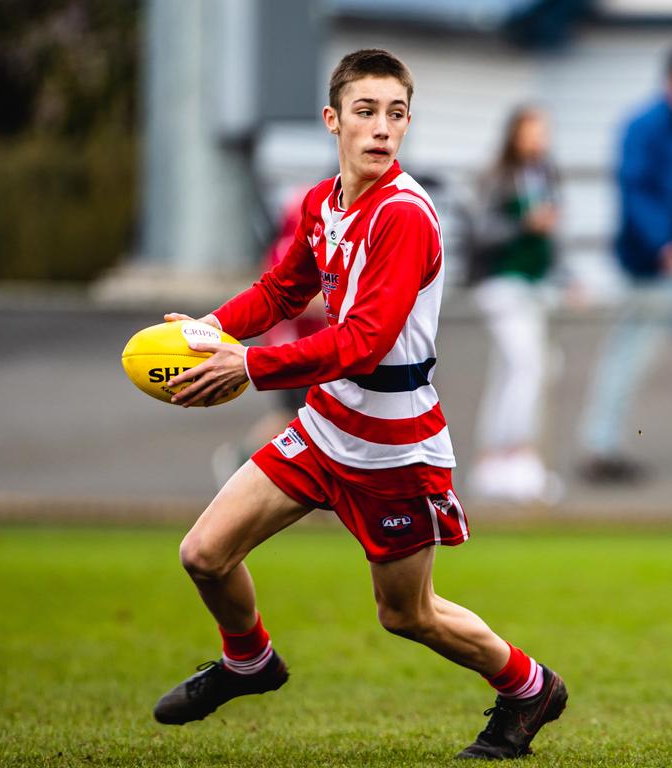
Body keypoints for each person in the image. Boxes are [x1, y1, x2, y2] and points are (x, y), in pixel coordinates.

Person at [153, 49, 568, 760]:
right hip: (326, 424)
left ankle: (530, 688)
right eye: (366, 111)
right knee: (204, 554)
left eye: (396, 114)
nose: (381, 128)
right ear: (333, 119)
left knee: (407, 615)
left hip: (394, 446)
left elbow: (364, 342)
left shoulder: (404, 216)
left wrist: (250, 366)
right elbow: (281, 293)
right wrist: (207, 331)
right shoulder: (321, 204)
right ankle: (250, 661)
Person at [578, 45, 672, 483]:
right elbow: (636, 190)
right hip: (657, 266)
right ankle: (600, 445)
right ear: (670, 82)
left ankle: (600, 443)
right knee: (632, 352)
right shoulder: (646, 126)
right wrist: (665, 245)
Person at [468, 106, 563, 504]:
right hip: (500, 282)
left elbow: (552, 238)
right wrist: (525, 225)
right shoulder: (498, 177)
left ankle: (493, 458)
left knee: (511, 369)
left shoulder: (546, 175)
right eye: (531, 131)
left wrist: (565, 275)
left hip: (535, 283)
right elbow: (483, 231)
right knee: (528, 363)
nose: (538, 139)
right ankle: (515, 450)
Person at [211, 189, 327, 487]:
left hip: (302, 350)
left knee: (294, 416)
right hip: (292, 351)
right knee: (297, 417)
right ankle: (244, 461)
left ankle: (249, 463)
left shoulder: (302, 244)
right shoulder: (292, 247)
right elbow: (287, 298)